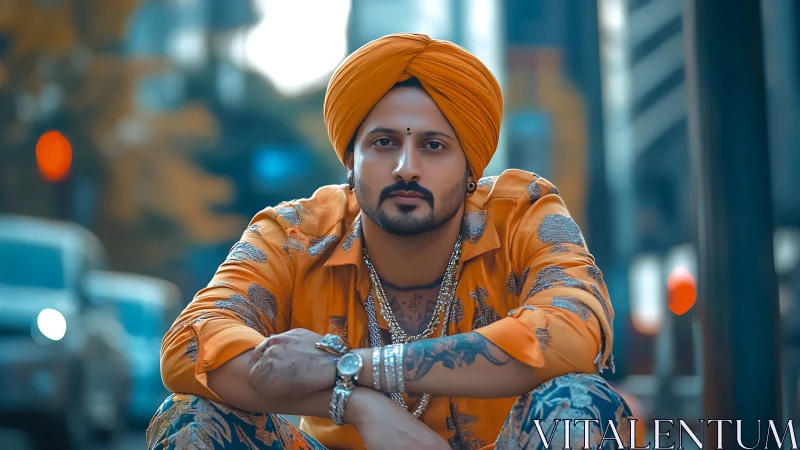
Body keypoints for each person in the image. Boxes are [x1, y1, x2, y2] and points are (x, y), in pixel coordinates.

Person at [147, 33, 632, 450]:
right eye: (383, 143)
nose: (406, 167)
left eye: (433, 146)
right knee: (191, 415)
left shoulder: (523, 215)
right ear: (350, 163)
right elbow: (191, 344)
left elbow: (574, 332)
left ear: (471, 170)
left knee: (580, 404)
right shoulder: (296, 234)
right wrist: (354, 403)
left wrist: (353, 366)